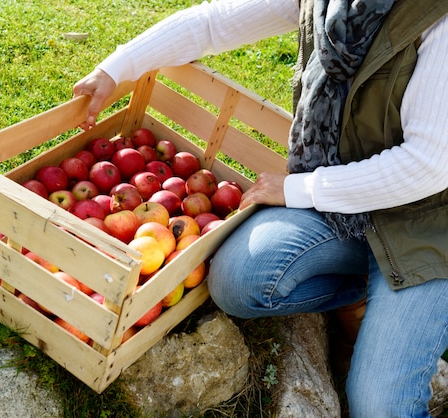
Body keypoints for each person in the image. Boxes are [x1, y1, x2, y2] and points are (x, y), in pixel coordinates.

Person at [73, 0, 448, 416]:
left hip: (428, 224)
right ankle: (364, 294)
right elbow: (215, 23)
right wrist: (117, 66)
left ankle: (391, 311)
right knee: (239, 280)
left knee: (380, 406)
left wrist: (301, 189)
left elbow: (429, 165)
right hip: (348, 211)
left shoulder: (437, 18)